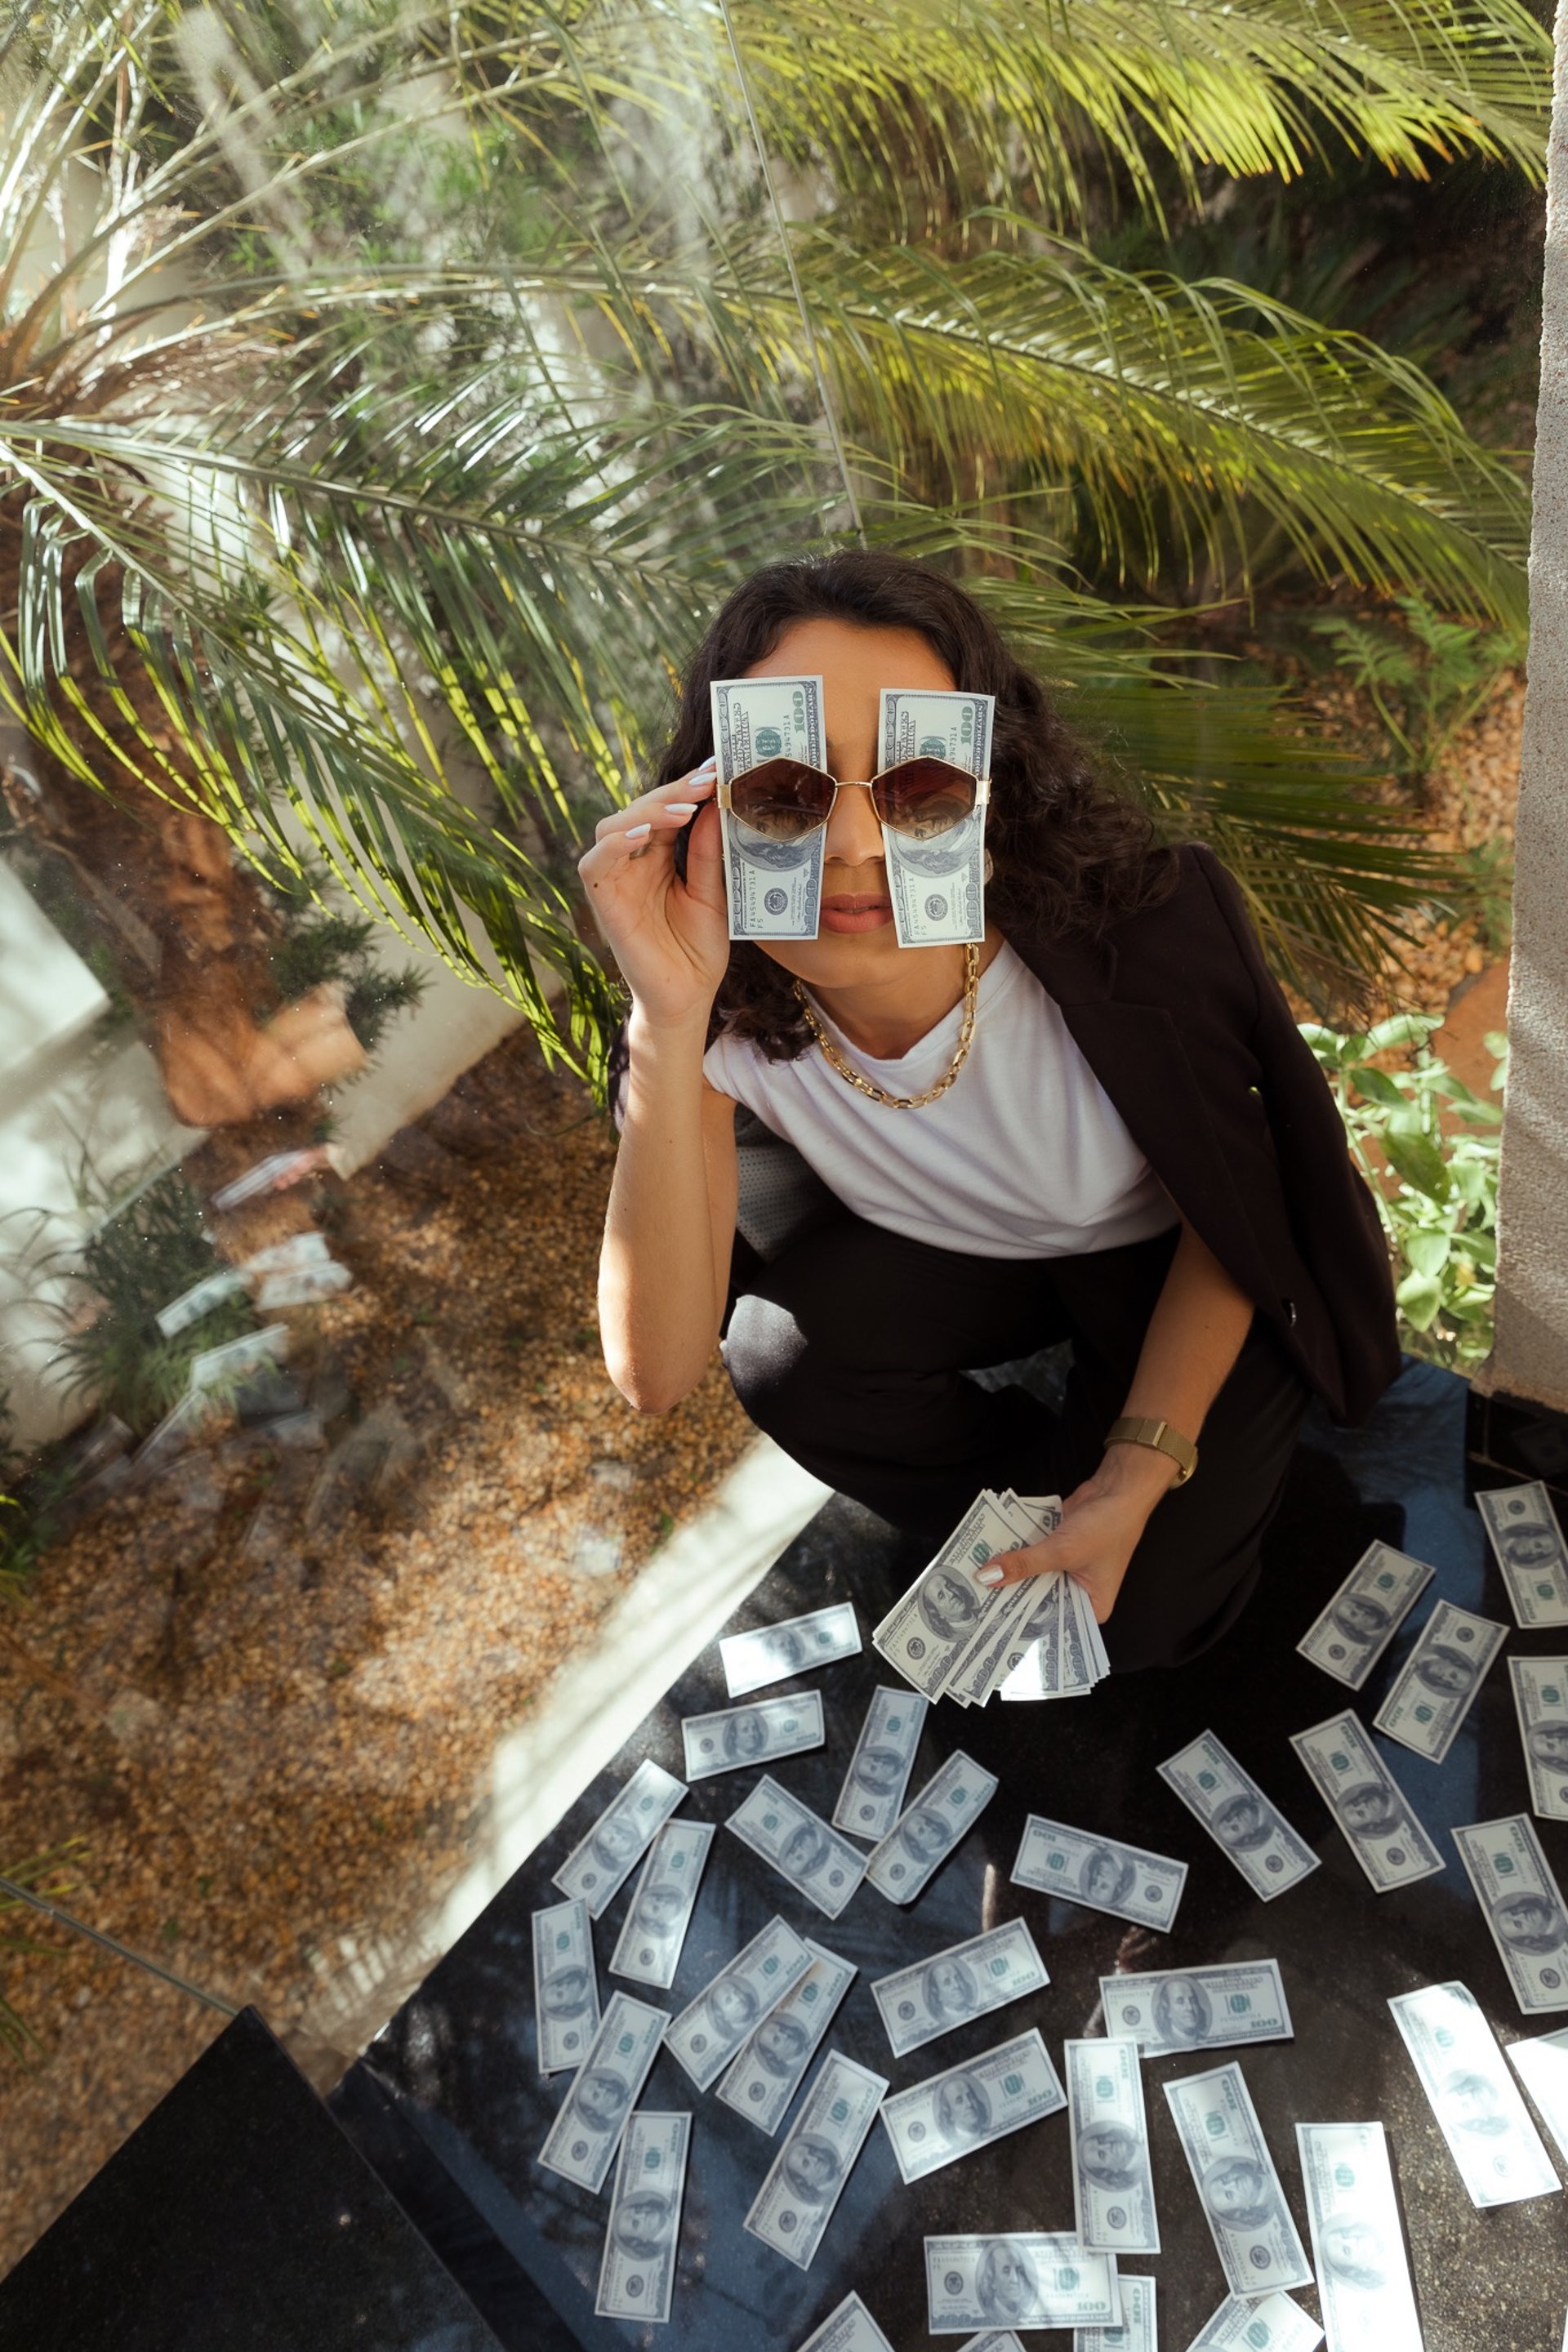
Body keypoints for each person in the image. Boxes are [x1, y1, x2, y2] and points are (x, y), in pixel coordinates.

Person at [584, 551, 1400, 1671]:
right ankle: (1036, 1492)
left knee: (1146, 1623)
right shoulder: (714, 1007)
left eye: (919, 785)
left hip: (1181, 1260)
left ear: (991, 786)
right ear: (708, 805)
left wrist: (1138, 1462)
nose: (857, 845)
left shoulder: (1145, 928)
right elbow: (657, 1372)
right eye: (785, 790)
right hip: (971, 1263)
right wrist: (663, 1024)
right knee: (778, 1353)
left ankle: (1126, 1484)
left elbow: (1245, 1216)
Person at [1152, 1976, 1212, 2044]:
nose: (1190, 2008)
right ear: (1168, 2011)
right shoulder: (1166, 2042)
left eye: (1193, 2001)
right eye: (1180, 2002)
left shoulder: (1204, 2040)